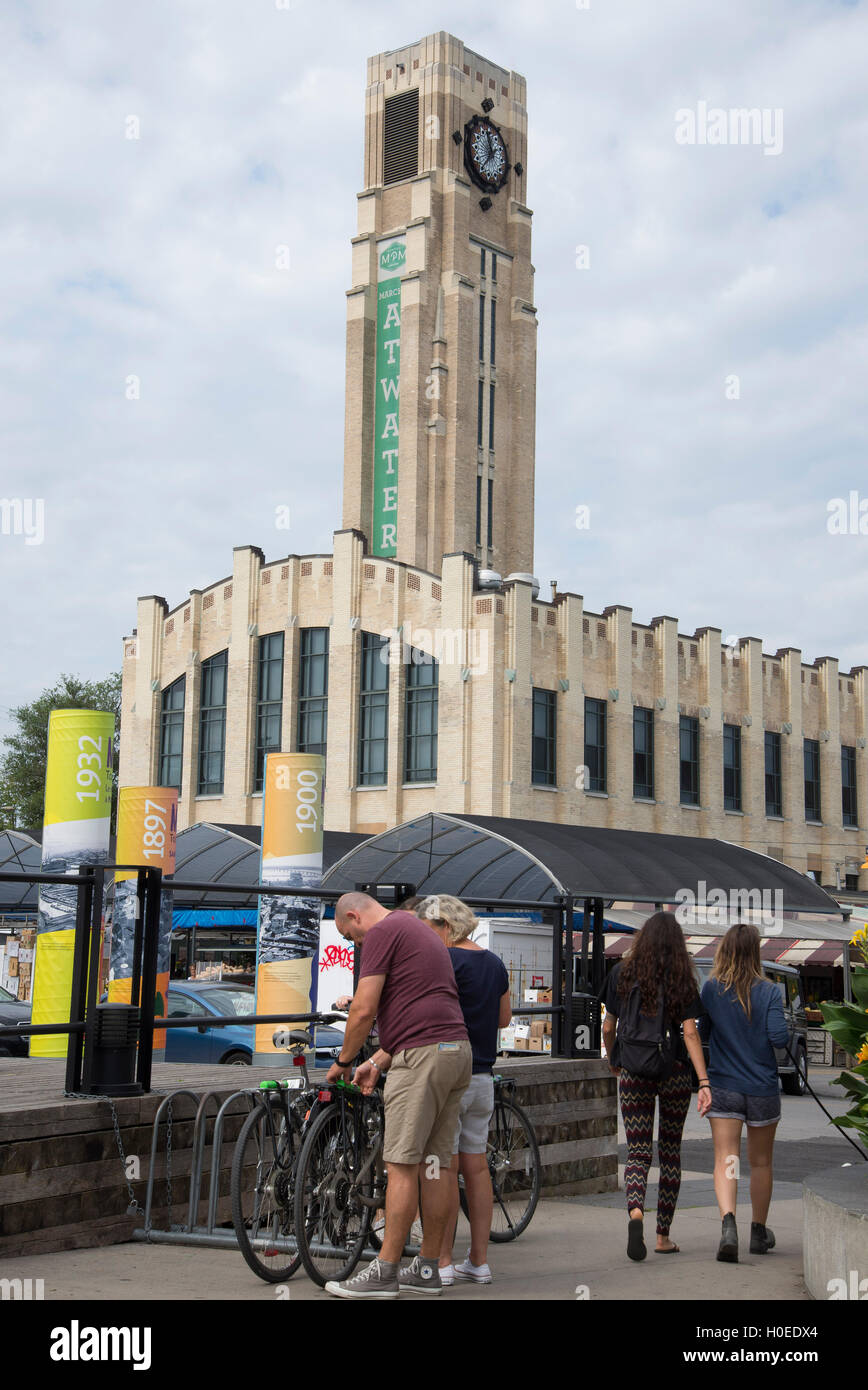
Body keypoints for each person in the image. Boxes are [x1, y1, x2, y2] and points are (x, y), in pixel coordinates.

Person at [322, 892, 471, 1299]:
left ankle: (384, 1272)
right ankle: (426, 1268)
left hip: (422, 1059)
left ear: (354, 915)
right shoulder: (419, 930)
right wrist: (381, 1060)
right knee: (436, 1164)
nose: (354, 944)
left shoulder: (384, 932)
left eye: (348, 934)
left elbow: (363, 1009)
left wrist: (345, 1061)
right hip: (454, 1051)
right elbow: (426, 1007)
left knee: (401, 1164)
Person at [601, 911, 711, 1260]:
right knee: (669, 1152)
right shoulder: (682, 978)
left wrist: (613, 1058)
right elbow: (690, 1033)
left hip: (634, 1069)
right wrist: (704, 1081)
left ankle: (636, 1212)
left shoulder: (621, 972)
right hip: (674, 1070)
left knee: (637, 1152)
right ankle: (662, 1235)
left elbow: (608, 1026)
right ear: (677, 944)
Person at [414, 893, 511, 1286]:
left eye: (428, 928)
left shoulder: (445, 961)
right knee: (477, 1166)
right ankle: (480, 1261)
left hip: (451, 1072)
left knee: (444, 1167)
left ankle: (443, 1262)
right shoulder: (494, 963)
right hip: (484, 1076)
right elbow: (504, 1018)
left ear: (446, 927)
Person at [699, 922, 788, 1263]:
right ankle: (758, 1231)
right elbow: (780, 1038)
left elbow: (703, 1032)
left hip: (724, 1086)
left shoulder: (711, 989)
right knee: (761, 1162)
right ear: (756, 951)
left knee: (727, 1158)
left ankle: (728, 1225)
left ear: (724, 950)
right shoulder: (770, 991)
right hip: (762, 1087)